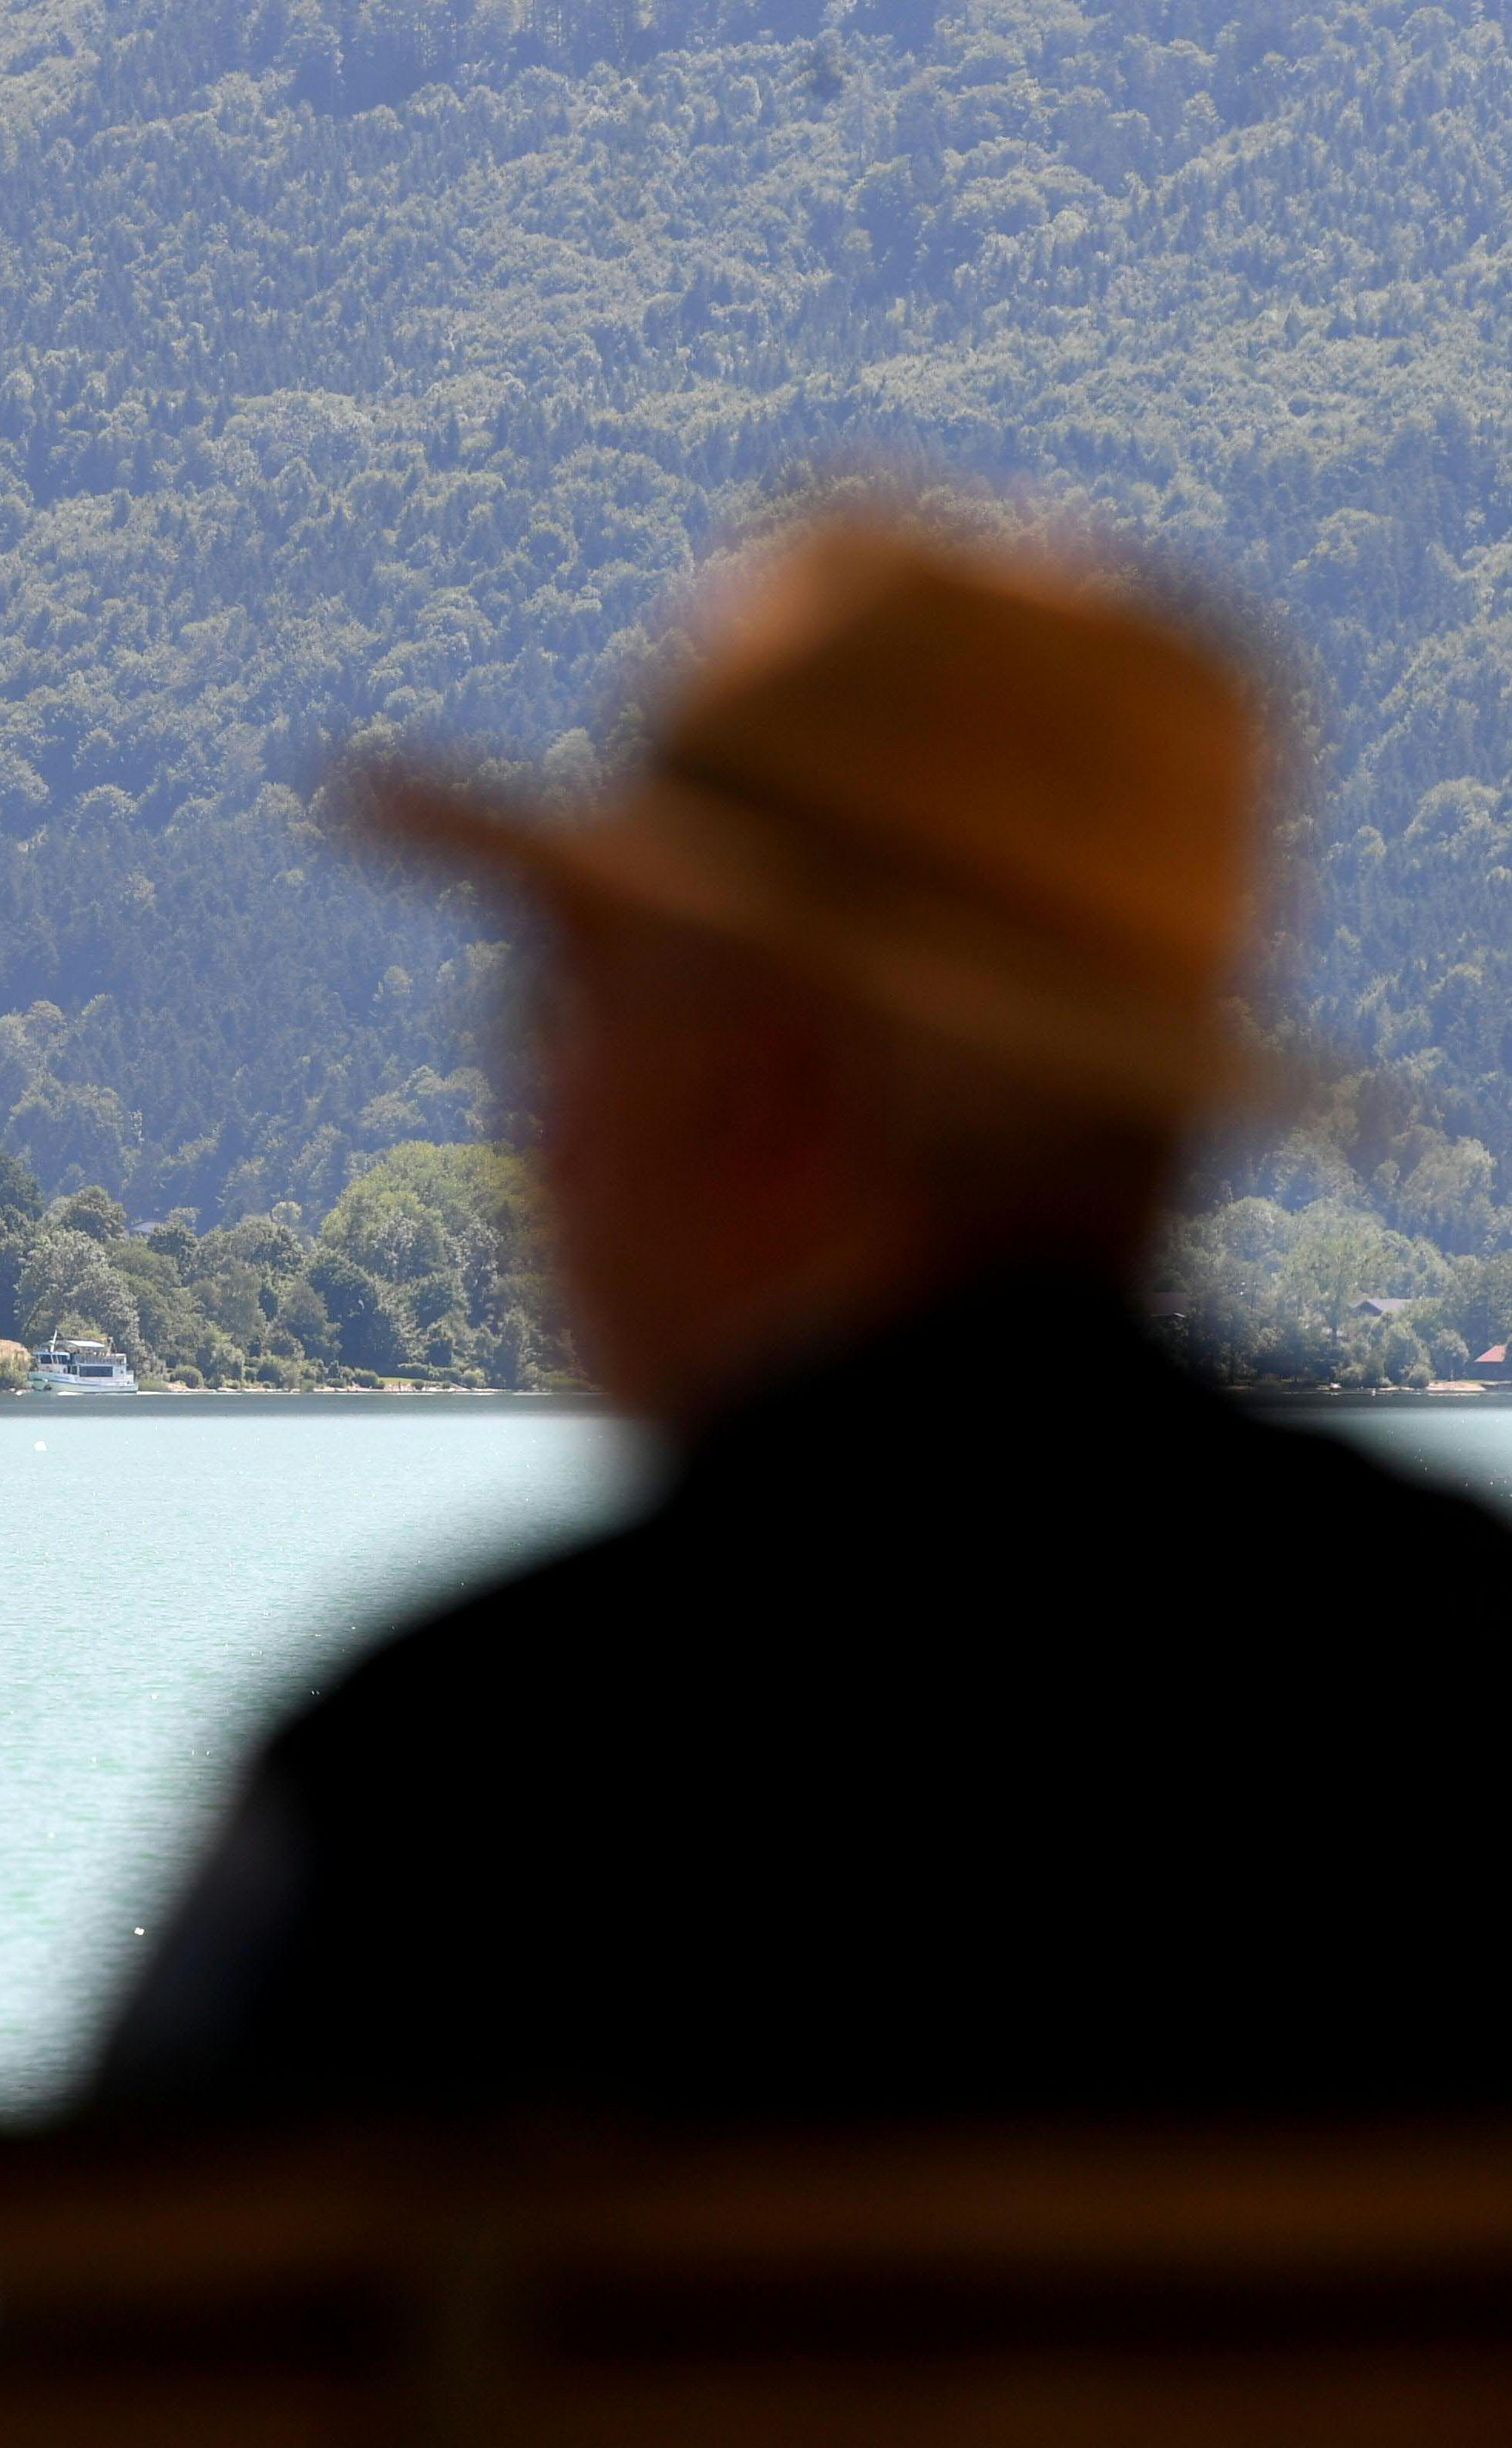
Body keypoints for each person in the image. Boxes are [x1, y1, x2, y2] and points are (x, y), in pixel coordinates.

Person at [98, 515, 1512, 2124]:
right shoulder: (1471, 1707)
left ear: (764, 1095)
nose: (526, 1114)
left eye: (563, 1004)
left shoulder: (444, 1796)